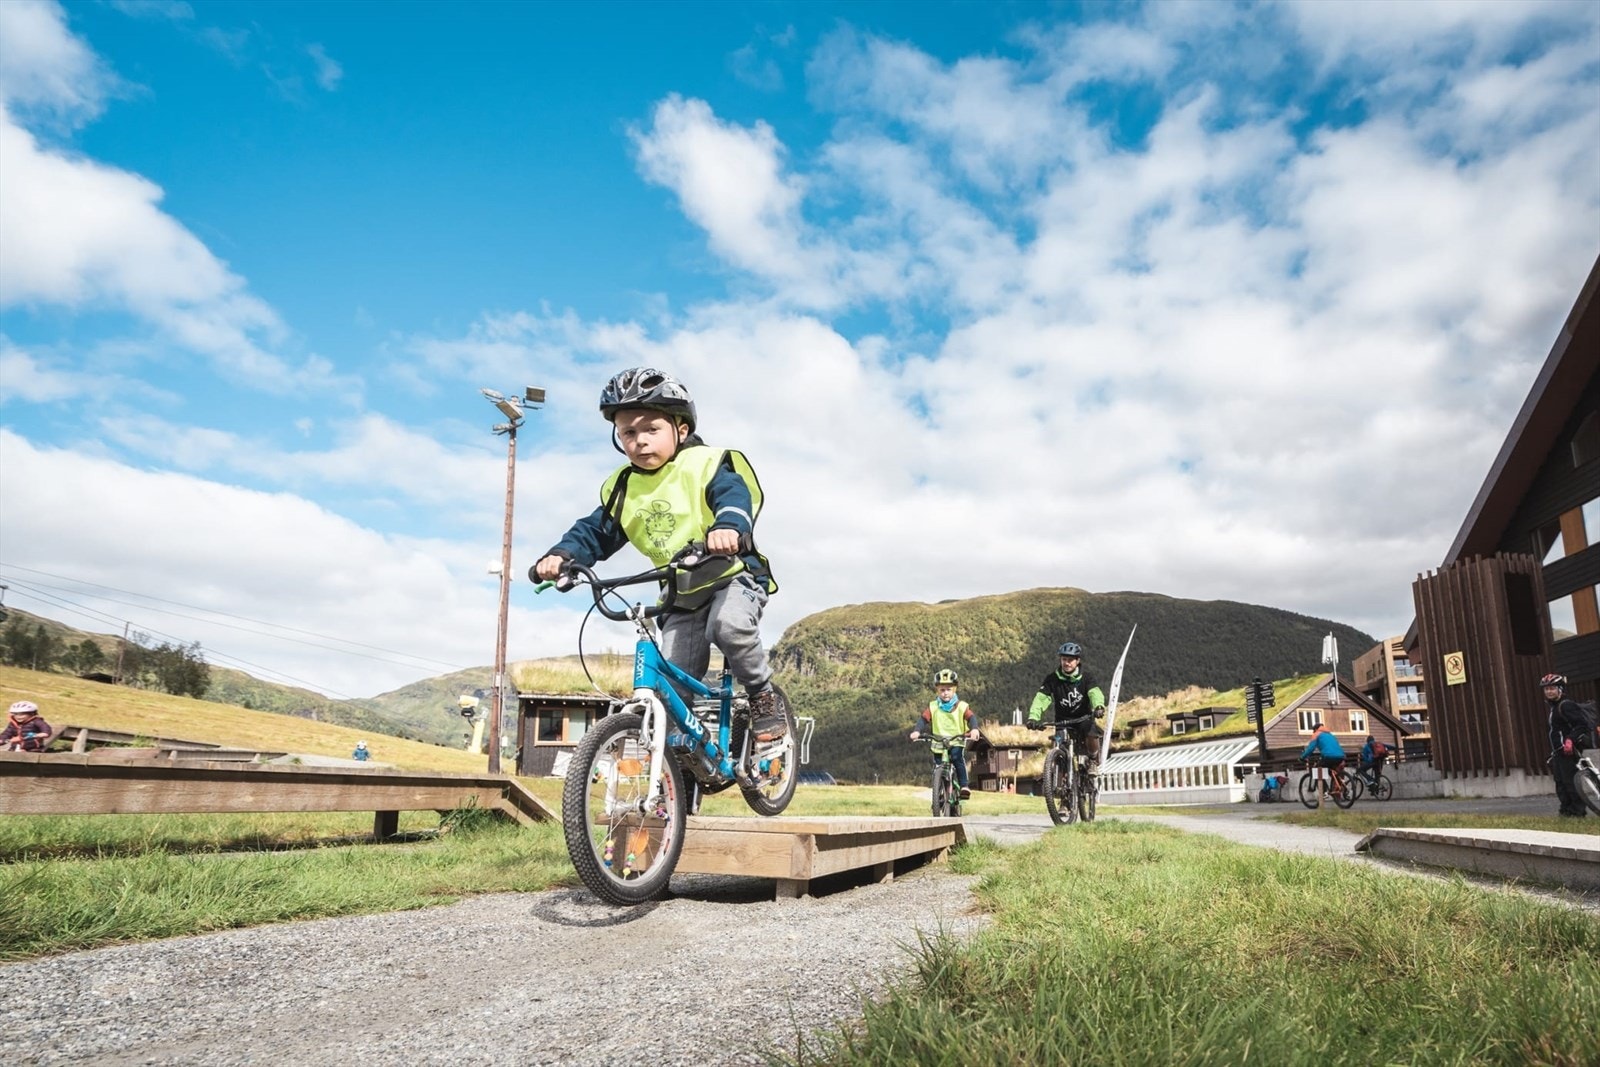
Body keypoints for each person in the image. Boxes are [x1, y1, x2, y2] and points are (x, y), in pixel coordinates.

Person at [531, 367, 785, 743]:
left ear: (680, 430)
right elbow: (596, 530)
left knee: (729, 626)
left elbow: (733, 496)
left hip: (732, 575)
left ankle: (762, 696)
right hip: (680, 595)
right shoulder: (624, 486)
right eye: (628, 433)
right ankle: (675, 776)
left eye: (651, 429)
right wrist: (562, 555)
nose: (639, 441)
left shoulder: (706, 464)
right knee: (671, 688)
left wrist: (727, 527)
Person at [1025, 641, 1107, 776]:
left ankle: (1092, 760)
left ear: (1077, 661)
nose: (1066, 663)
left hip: (1083, 718)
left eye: (1070, 660)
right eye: (1064, 659)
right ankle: (1061, 781)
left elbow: (1094, 692)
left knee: (1092, 734)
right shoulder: (1052, 679)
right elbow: (1041, 698)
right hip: (1062, 721)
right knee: (1059, 747)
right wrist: (1033, 717)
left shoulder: (1087, 677)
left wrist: (1099, 706)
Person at [909, 668, 981, 799]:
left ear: (954, 690)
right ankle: (938, 790)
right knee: (938, 766)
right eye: (942, 690)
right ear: (937, 690)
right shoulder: (933, 707)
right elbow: (923, 719)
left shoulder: (962, 706)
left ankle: (964, 786)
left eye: (948, 689)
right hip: (938, 742)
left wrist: (974, 729)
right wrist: (917, 731)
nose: (945, 693)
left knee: (957, 759)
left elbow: (971, 718)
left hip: (956, 741)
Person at [1542, 673, 1595, 819]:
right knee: (1560, 783)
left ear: (1560, 689)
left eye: (1552, 688)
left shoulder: (1566, 705)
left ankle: (1577, 812)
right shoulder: (1554, 707)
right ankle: (1566, 811)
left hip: (1569, 750)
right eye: (1546, 689)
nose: (1549, 692)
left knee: (1570, 782)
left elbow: (1581, 725)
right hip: (1559, 751)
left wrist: (1570, 740)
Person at [1299, 724, 1347, 792]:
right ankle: (1340, 783)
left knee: (1316, 771)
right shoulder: (1330, 735)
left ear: (1315, 729)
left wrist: (1302, 757)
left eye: (1313, 730)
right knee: (1330, 770)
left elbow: (1311, 748)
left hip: (1329, 756)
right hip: (1340, 756)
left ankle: (1324, 792)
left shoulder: (1316, 734)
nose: (1313, 732)